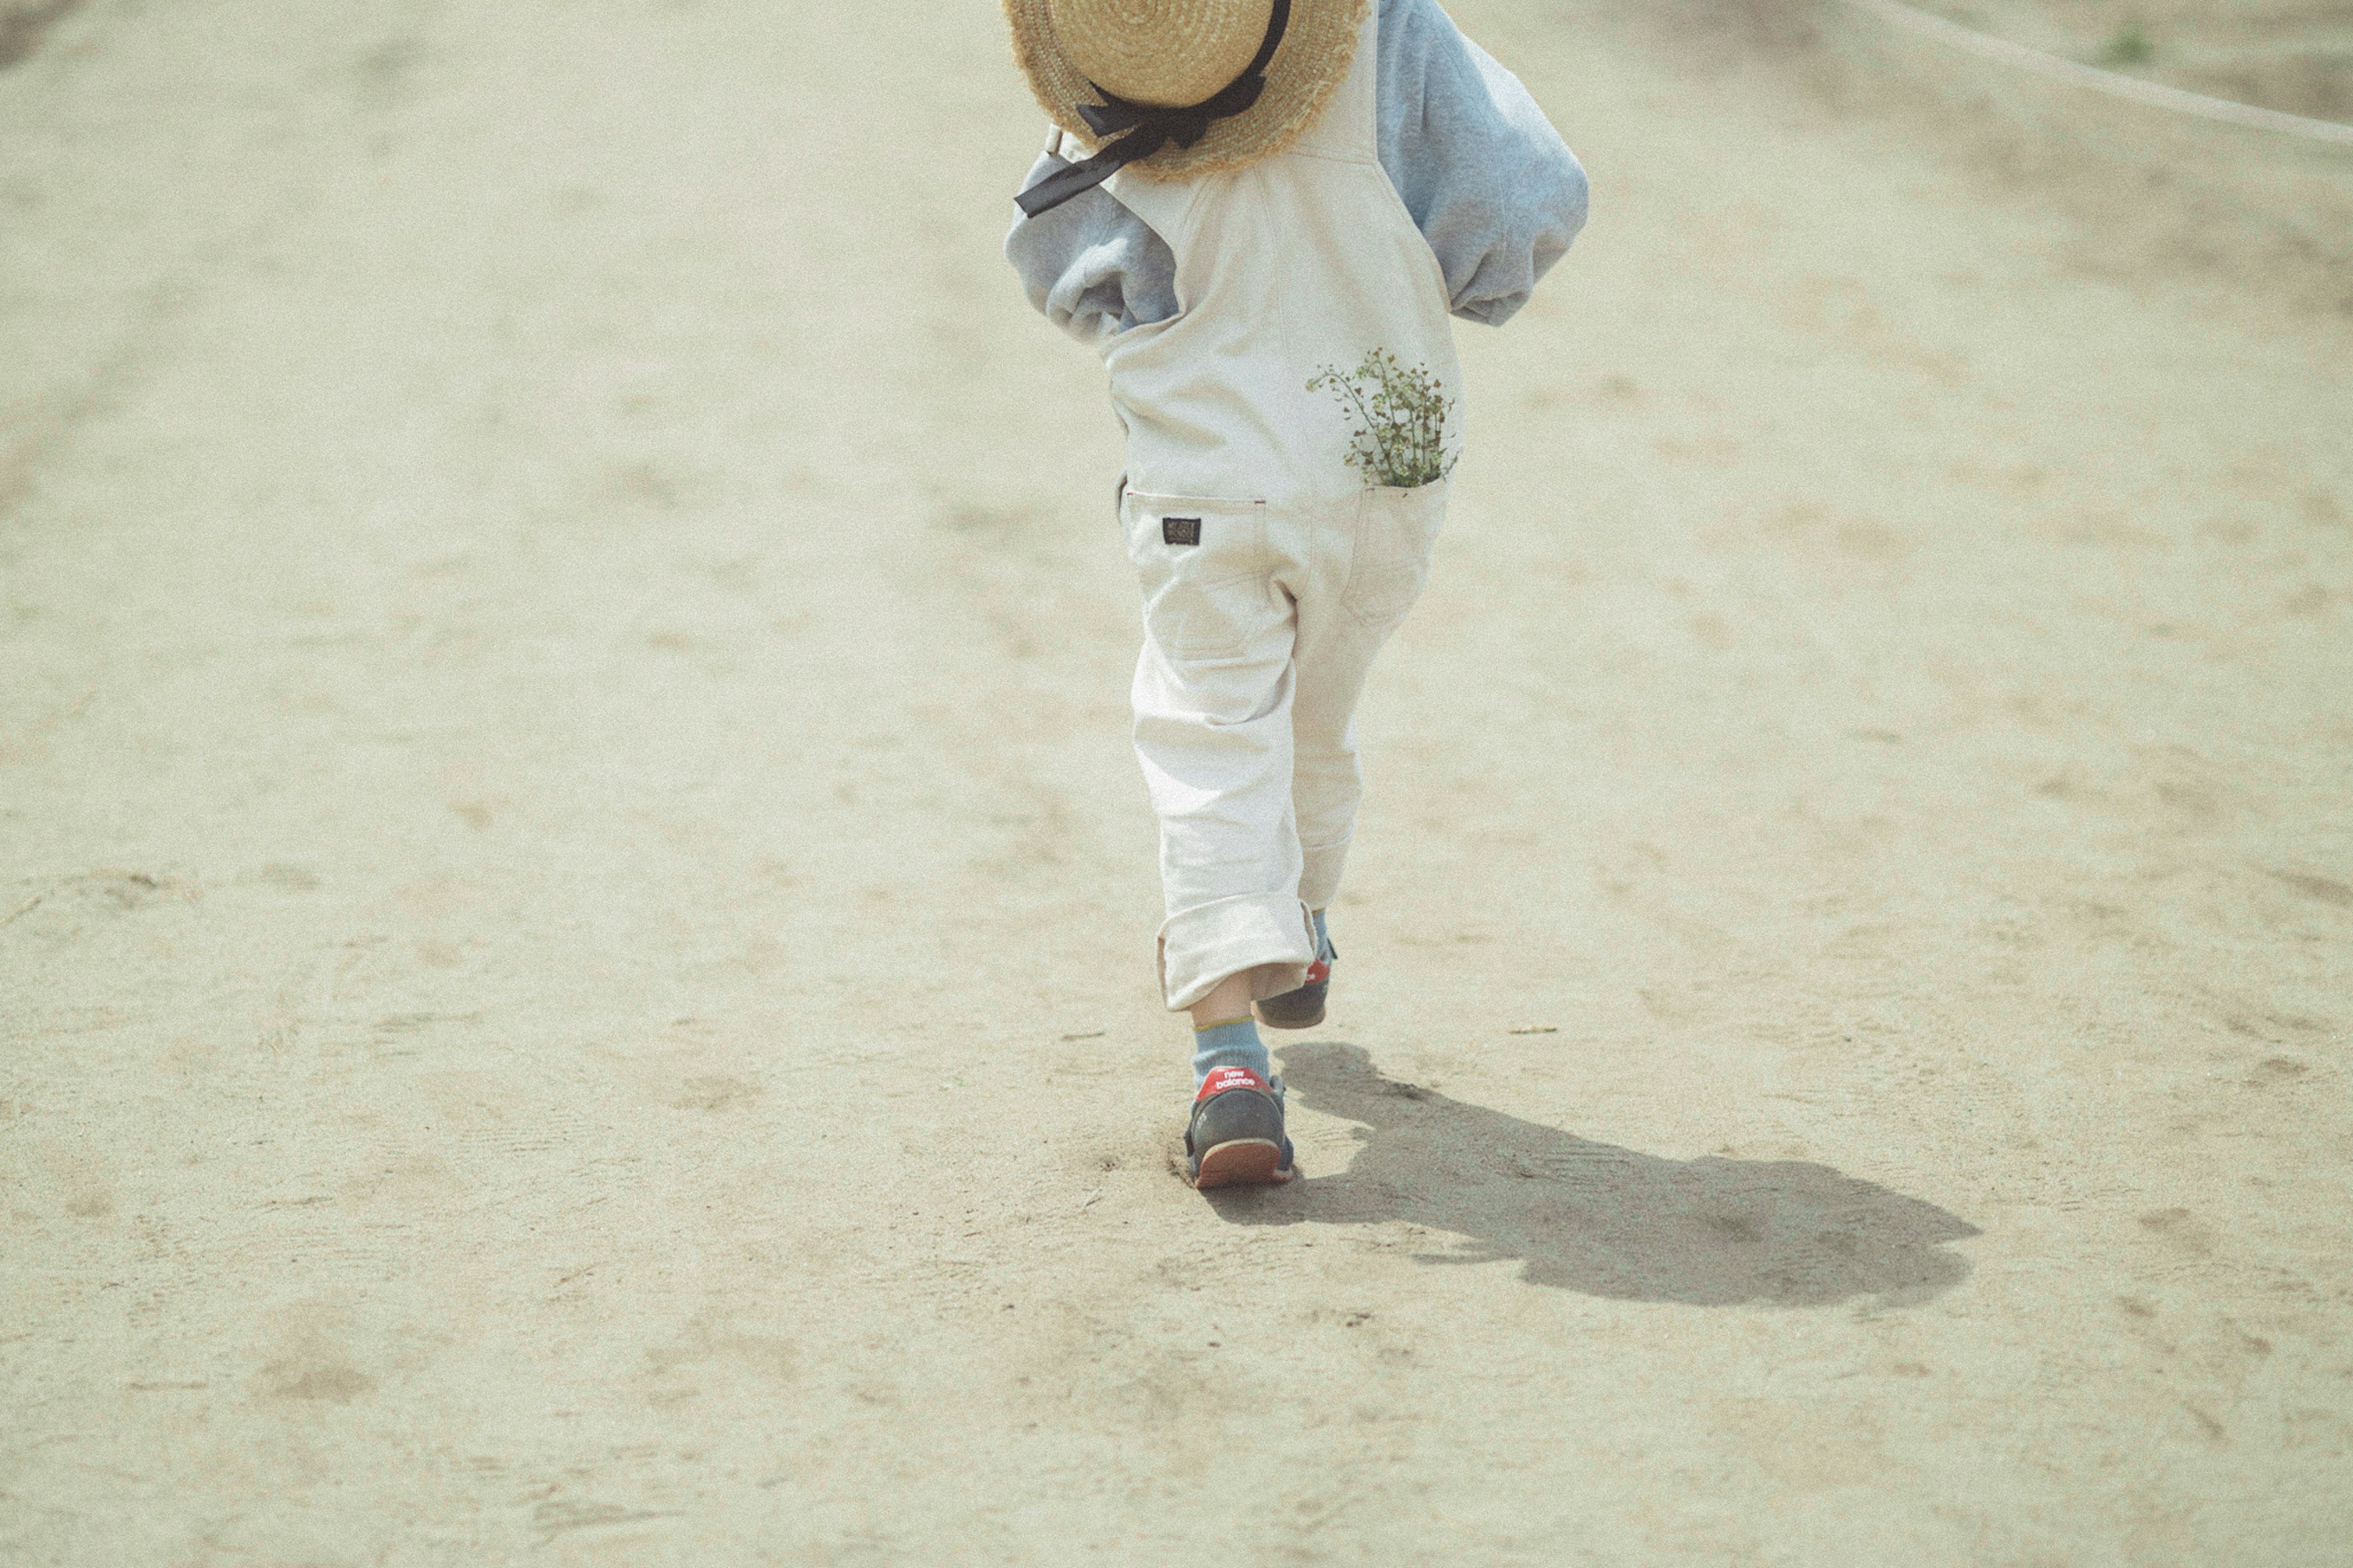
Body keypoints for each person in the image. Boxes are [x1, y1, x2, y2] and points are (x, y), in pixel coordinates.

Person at [1002, 0, 1586, 1188]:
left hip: (1205, 479)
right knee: (1318, 706)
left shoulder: (1117, 65)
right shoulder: (1391, 37)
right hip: (1383, 459)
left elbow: (1059, 266)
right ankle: (1302, 919)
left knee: (1211, 724)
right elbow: (1525, 198)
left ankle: (1230, 1058)